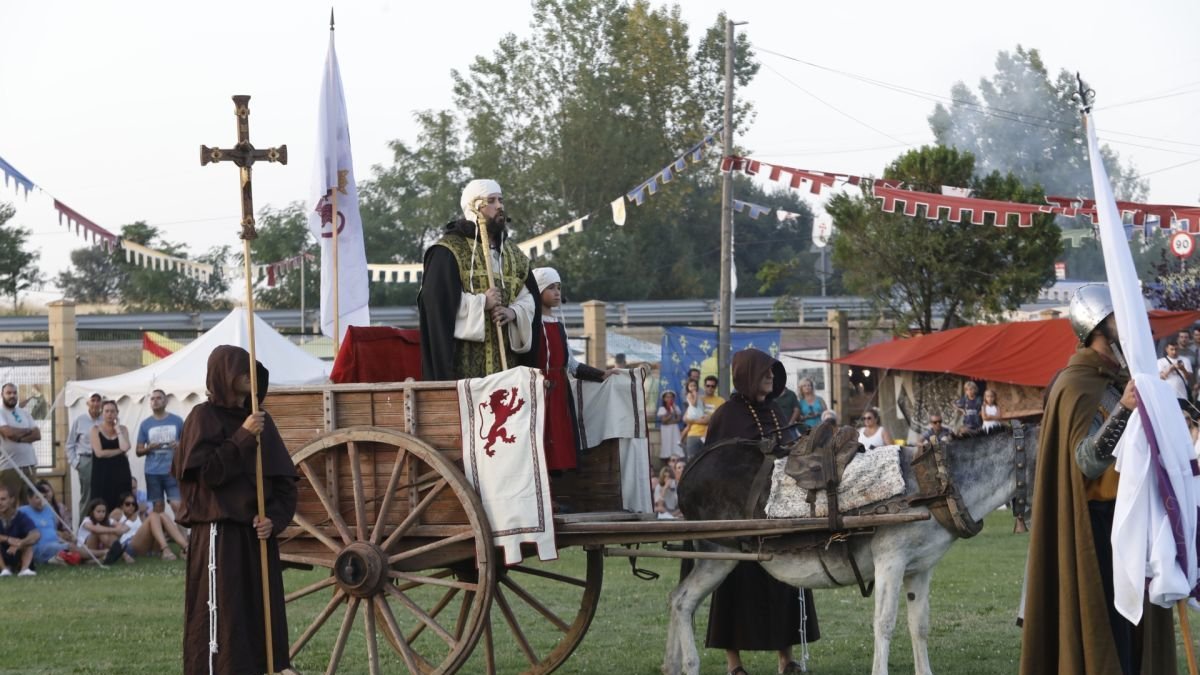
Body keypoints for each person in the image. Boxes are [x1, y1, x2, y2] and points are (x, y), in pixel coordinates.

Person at [1020, 284, 1177, 675]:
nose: (1126, 324)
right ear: (1097, 325)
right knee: (1110, 625)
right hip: (1097, 526)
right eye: (1117, 317)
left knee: (1137, 624)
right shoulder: (1075, 385)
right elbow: (1085, 462)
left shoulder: (1120, 378)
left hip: (1134, 516)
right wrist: (1123, 410)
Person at [174, 345, 298, 675]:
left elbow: (285, 484)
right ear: (223, 375)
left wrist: (274, 521)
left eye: (251, 369)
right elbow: (209, 475)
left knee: (259, 616)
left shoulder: (261, 420)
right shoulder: (203, 417)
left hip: (256, 536)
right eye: (240, 369)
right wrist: (243, 436)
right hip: (220, 534)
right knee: (224, 616)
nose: (248, 374)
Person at [704, 348, 818, 675]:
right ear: (748, 375)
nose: (770, 377)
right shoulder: (726, 416)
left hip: (777, 514)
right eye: (765, 372)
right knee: (735, 587)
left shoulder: (776, 412)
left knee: (784, 582)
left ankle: (786, 660)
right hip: (739, 518)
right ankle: (734, 664)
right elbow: (714, 465)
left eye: (772, 372)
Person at [418, 179, 540, 380]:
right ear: (474, 206)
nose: (500, 206)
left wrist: (514, 312)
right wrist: (482, 302)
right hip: (464, 371)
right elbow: (436, 305)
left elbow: (529, 299)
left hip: (508, 369)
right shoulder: (449, 250)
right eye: (491, 201)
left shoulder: (514, 254)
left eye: (501, 200)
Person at [531, 267, 610, 472]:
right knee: (540, 442)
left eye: (558, 287)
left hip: (558, 391)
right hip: (538, 390)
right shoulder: (530, 324)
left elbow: (571, 365)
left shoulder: (558, 325)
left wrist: (601, 374)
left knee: (559, 444)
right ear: (538, 290)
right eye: (551, 288)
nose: (557, 292)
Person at [136, 389, 185, 516]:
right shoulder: (145, 424)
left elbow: (188, 444)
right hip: (152, 472)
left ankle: (183, 536)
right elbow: (138, 451)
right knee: (157, 508)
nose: (155, 401)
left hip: (173, 471)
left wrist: (180, 445)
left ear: (166, 401)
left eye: (159, 398)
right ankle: (161, 535)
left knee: (178, 506)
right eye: (152, 399)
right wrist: (149, 448)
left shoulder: (177, 421)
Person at [111, 491, 188, 562]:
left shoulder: (138, 515)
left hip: (145, 545)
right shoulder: (118, 513)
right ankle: (165, 549)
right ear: (121, 505)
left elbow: (147, 527)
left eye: (133, 504)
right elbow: (108, 526)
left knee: (161, 514)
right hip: (129, 545)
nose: (131, 506)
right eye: (127, 504)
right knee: (154, 515)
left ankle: (186, 547)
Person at [0, 382, 41, 502]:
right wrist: (28, 431)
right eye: (8, 393)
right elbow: (8, 433)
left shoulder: (24, 413)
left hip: (29, 466)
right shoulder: (1, 413)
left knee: (30, 504)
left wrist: (19, 438)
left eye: (14, 393)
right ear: (2, 395)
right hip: (9, 468)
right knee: (10, 506)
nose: (12, 395)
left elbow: (37, 435)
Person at [90, 400, 132, 513]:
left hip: (121, 472)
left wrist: (117, 429)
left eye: (112, 411)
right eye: (107, 411)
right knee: (102, 503)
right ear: (102, 413)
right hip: (102, 473)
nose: (109, 414)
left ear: (117, 413)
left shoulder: (123, 429)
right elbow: (99, 453)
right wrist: (120, 451)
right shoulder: (95, 430)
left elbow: (125, 445)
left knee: (122, 501)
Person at [67, 392, 103, 517]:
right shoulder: (80, 420)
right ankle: (83, 529)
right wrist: (76, 463)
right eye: (93, 400)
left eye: (98, 400)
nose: (96, 403)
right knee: (87, 497)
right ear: (87, 403)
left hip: (103, 460)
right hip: (86, 460)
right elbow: (70, 444)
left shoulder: (105, 419)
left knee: (103, 494)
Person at [19, 487, 72, 566]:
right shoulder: (22, 512)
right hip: (39, 548)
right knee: (71, 547)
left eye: (44, 497)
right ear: (29, 498)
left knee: (73, 552)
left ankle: (56, 559)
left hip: (55, 544)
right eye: (38, 498)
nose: (42, 501)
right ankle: (96, 554)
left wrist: (61, 538)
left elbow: (53, 530)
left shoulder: (49, 510)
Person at [0, 483, 38, 576]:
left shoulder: (21, 517)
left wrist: (20, 543)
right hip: (2, 554)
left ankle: (24, 570)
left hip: (18, 554)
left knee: (29, 542)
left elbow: (36, 534)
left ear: (12, 500)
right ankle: (4, 570)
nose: (0, 503)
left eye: (3, 499)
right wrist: (8, 539)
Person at [683, 375, 724, 459]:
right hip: (693, 434)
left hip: (711, 436)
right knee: (691, 464)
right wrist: (704, 421)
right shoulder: (697, 398)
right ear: (704, 386)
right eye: (708, 386)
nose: (710, 388)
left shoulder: (721, 401)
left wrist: (709, 420)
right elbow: (685, 418)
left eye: (712, 386)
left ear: (716, 387)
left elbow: (722, 420)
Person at [657, 390, 683, 467]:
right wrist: (670, 414)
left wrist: (674, 410)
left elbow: (678, 419)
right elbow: (664, 421)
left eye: (671, 397)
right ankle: (666, 463)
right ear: (664, 399)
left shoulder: (676, 407)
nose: (670, 399)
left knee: (675, 445)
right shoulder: (662, 409)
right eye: (667, 397)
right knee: (667, 445)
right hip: (666, 430)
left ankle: (676, 463)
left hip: (674, 429)